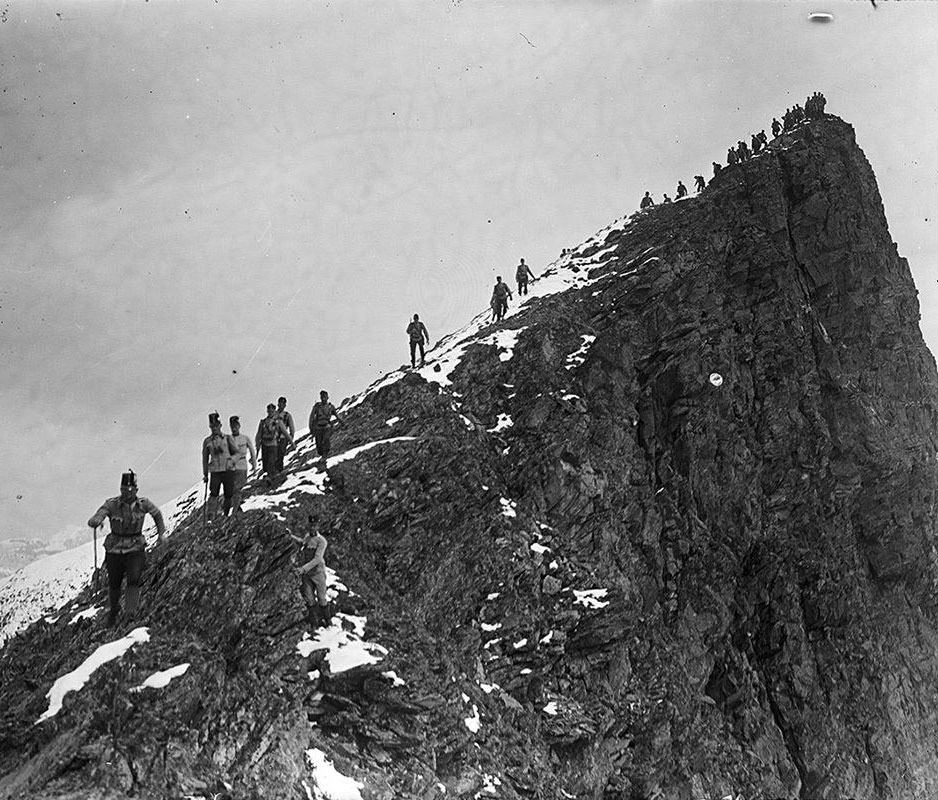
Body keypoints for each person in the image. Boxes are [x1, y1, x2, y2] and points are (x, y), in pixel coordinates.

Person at [88, 471, 165, 627]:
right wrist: (96, 520)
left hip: (136, 547)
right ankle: (114, 610)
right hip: (114, 549)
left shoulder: (144, 504)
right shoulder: (111, 504)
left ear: (136, 490)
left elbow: (157, 515)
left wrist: (161, 534)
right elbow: (99, 514)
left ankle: (130, 614)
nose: (127, 493)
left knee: (134, 579)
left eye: (130, 490)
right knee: (114, 583)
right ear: (120, 489)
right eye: (124, 489)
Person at [291, 518, 330, 628]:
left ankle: (328, 621)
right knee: (309, 599)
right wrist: (291, 536)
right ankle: (314, 623)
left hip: (318, 573)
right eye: (311, 525)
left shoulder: (322, 541)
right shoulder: (307, 537)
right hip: (307, 574)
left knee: (321, 598)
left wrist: (303, 569)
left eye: (314, 525)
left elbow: (317, 559)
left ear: (318, 526)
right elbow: (302, 543)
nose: (312, 527)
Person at [202, 412, 236, 523]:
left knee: (228, 493)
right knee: (213, 493)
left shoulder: (227, 438)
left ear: (220, 425)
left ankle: (226, 514)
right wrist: (205, 474)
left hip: (228, 470)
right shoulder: (207, 441)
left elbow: (235, 452)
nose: (214, 428)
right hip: (215, 471)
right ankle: (211, 516)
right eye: (212, 426)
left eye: (216, 426)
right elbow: (205, 458)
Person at [227, 415, 256, 515]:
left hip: (242, 466)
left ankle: (235, 510)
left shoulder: (245, 438)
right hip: (231, 467)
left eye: (235, 426)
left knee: (237, 488)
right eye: (232, 426)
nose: (234, 428)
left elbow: (252, 451)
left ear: (239, 426)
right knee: (232, 489)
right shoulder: (228, 439)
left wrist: (254, 464)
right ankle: (237, 507)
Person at [256, 404, 290, 479]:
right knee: (266, 462)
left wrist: (291, 442)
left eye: (272, 411)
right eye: (269, 411)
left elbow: (285, 432)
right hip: (265, 444)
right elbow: (259, 434)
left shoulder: (278, 422)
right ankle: (270, 476)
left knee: (272, 461)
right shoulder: (263, 422)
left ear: (274, 411)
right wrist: (257, 444)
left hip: (273, 444)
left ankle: (271, 476)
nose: (270, 412)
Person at [309, 390, 342, 461]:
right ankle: (323, 455)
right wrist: (311, 428)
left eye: (324, 396)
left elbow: (337, 415)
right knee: (319, 446)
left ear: (327, 397)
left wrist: (342, 422)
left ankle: (325, 456)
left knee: (325, 440)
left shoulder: (330, 407)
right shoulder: (317, 407)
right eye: (322, 397)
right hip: (318, 428)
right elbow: (311, 417)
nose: (323, 398)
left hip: (327, 427)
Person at [276, 396, 296, 468]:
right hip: (273, 438)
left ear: (285, 405)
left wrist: (290, 438)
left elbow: (292, 428)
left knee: (280, 455)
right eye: (280, 403)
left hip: (283, 438)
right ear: (278, 404)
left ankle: (279, 470)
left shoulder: (287, 415)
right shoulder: (273, 414)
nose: (281, 405)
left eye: (283, 404)